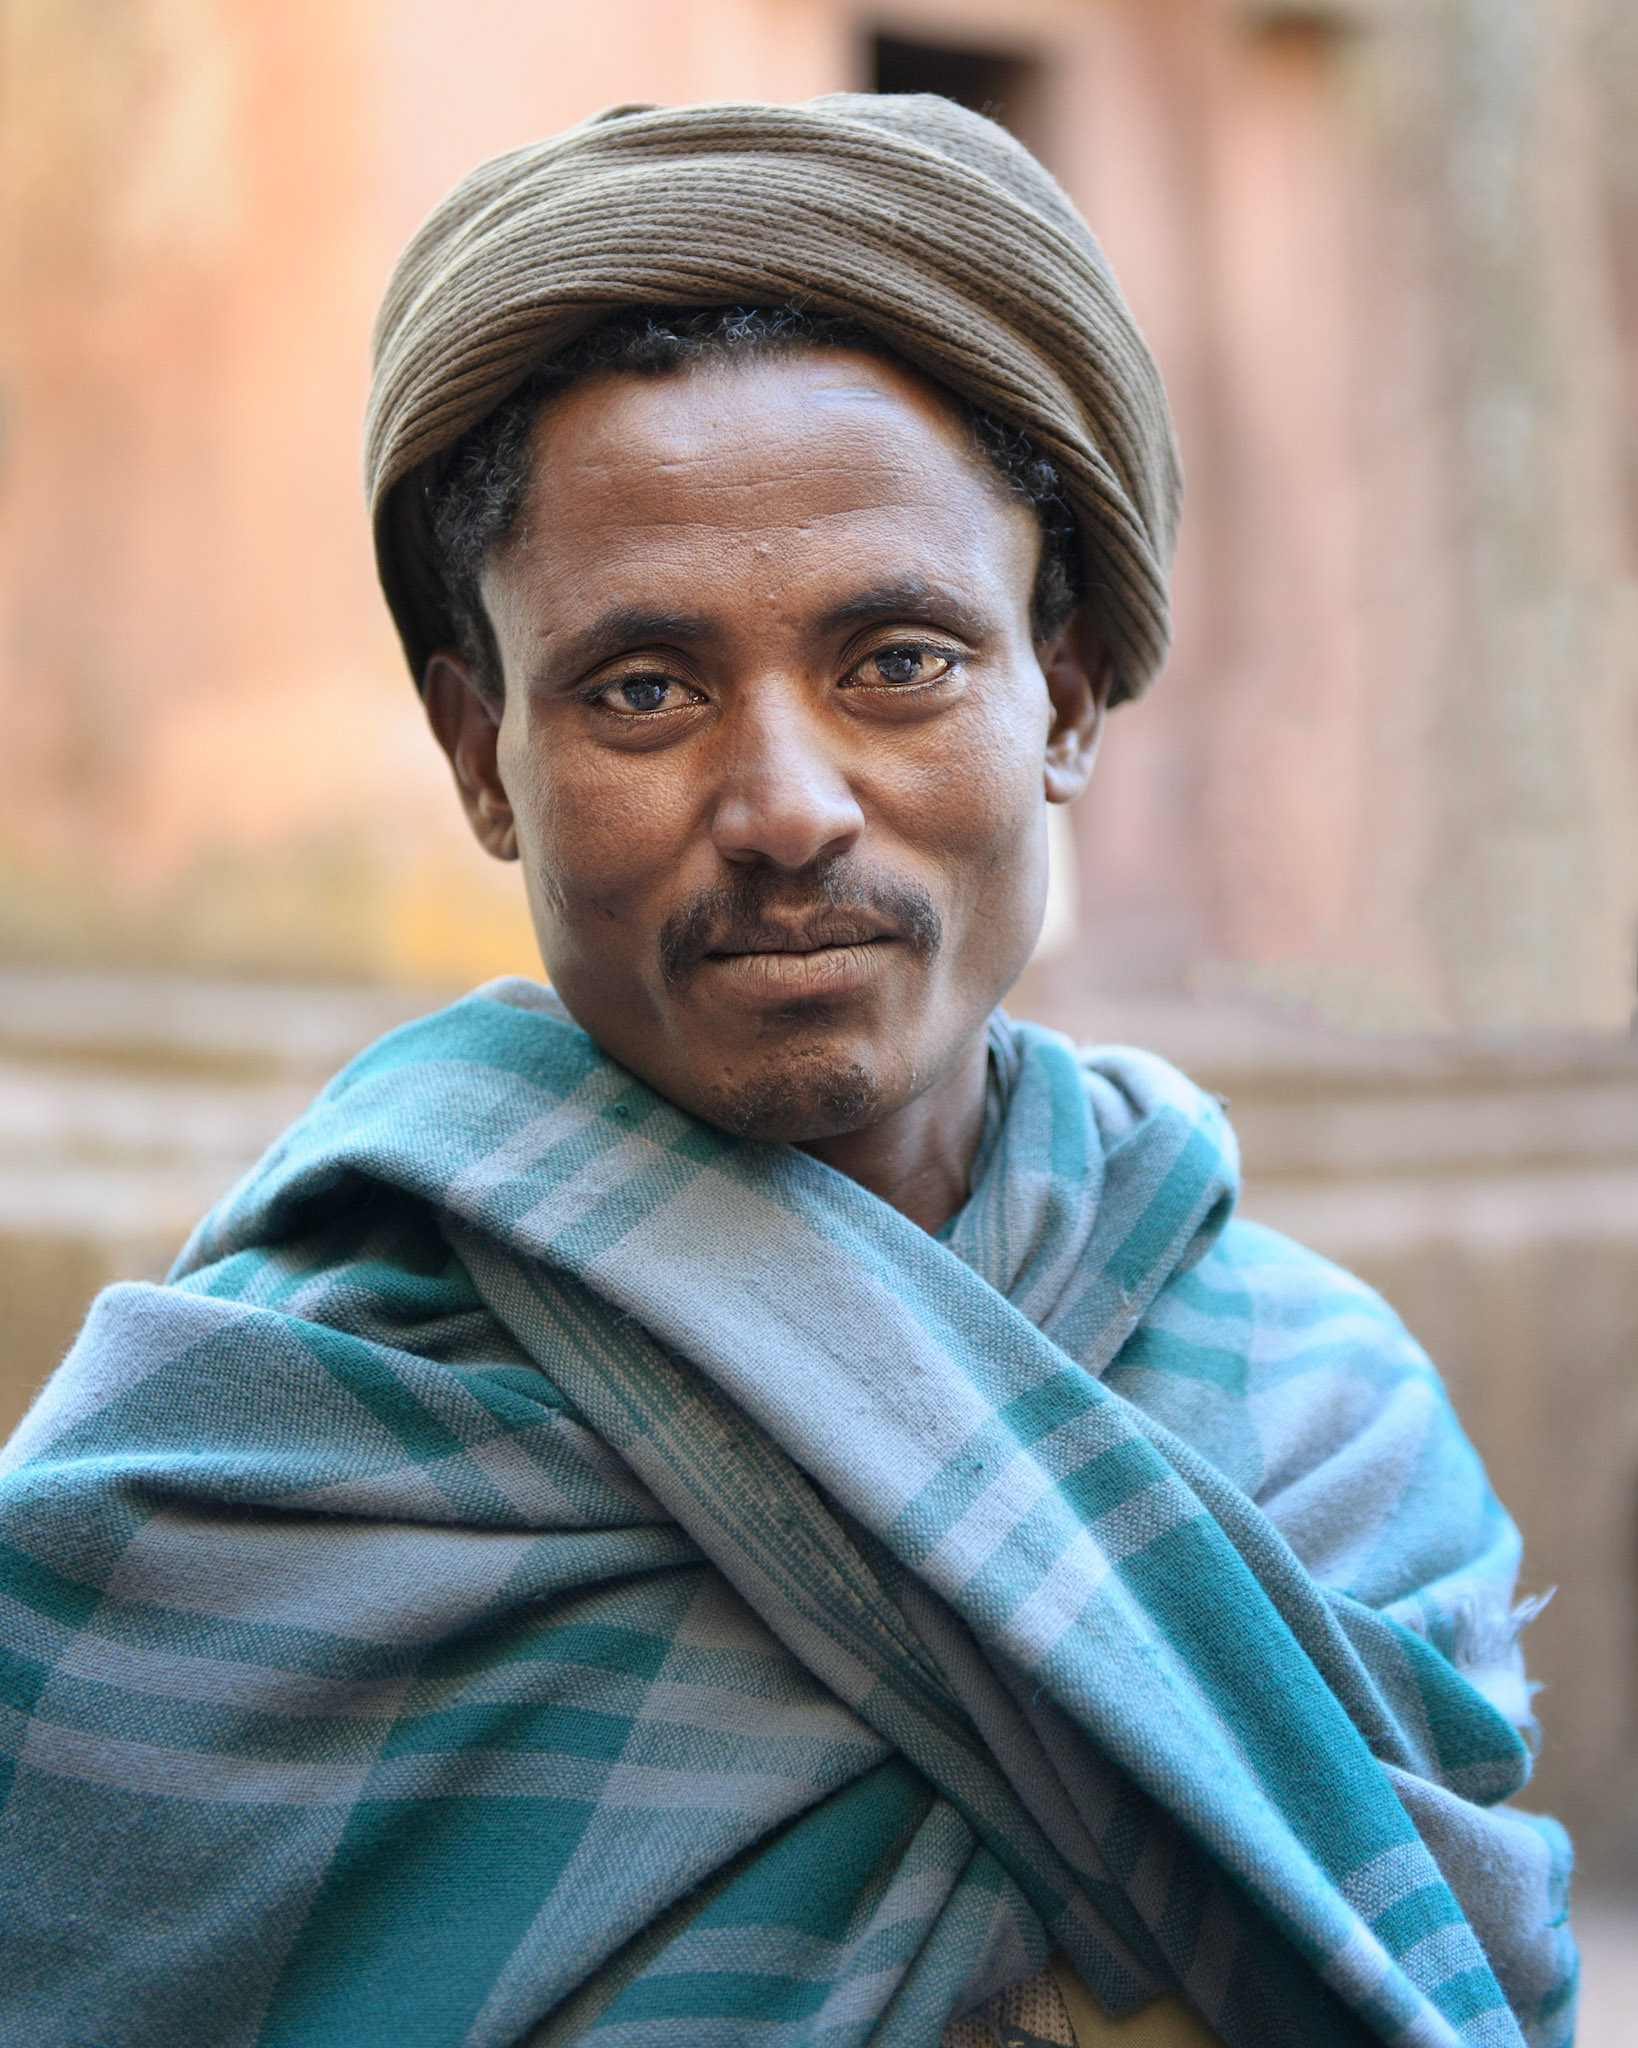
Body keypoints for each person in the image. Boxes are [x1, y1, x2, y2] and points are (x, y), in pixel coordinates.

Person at [0, 96, 1575, 2048]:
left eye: (898, 660)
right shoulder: (232, 1488)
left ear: (1067, 691)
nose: (783, 807)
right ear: (484, 755)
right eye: (643, 688)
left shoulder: (1325, 1445)